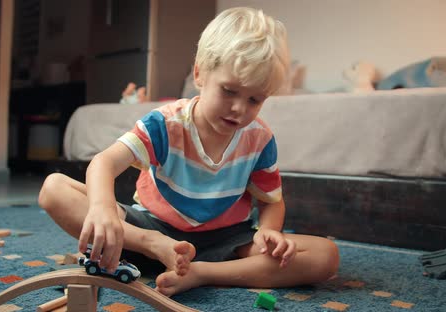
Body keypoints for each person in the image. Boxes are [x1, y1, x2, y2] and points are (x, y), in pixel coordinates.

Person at [38, 7, 339, 296]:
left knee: (325, 256)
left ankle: (200, 274)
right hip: (151, 230)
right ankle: (154, 248)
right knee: (54, 189)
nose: (238, 109)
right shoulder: (164, 124)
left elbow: (272, 201)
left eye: (254, 100)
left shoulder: (259, 138)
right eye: (229, 91)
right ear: (200, 74)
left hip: (228, 241)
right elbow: (103, 163)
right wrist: (103, 209)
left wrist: (269, 231)